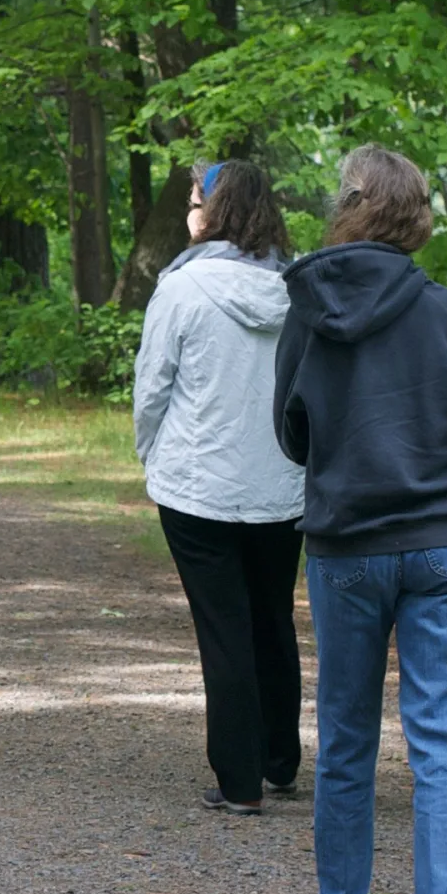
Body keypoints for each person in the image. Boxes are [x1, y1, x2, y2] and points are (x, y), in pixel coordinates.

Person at [272, 144, 447, 894]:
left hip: (348, 544)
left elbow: (289, 432)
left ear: (349, 204)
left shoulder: (311, 307)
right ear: (416, 213)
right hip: (445, 541)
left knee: (347, 730)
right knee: (439, 736)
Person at [133, 159, 304, 816]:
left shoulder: (184, 288)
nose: (187, 209)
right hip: (281, 484)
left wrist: (151, 453)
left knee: (224, 627)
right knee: (270, 619)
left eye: (195, 197)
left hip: (198, 488)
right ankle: (279, 761)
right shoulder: (299, 289)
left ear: (214, 210)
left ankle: (238, 780)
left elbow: (154, 387)